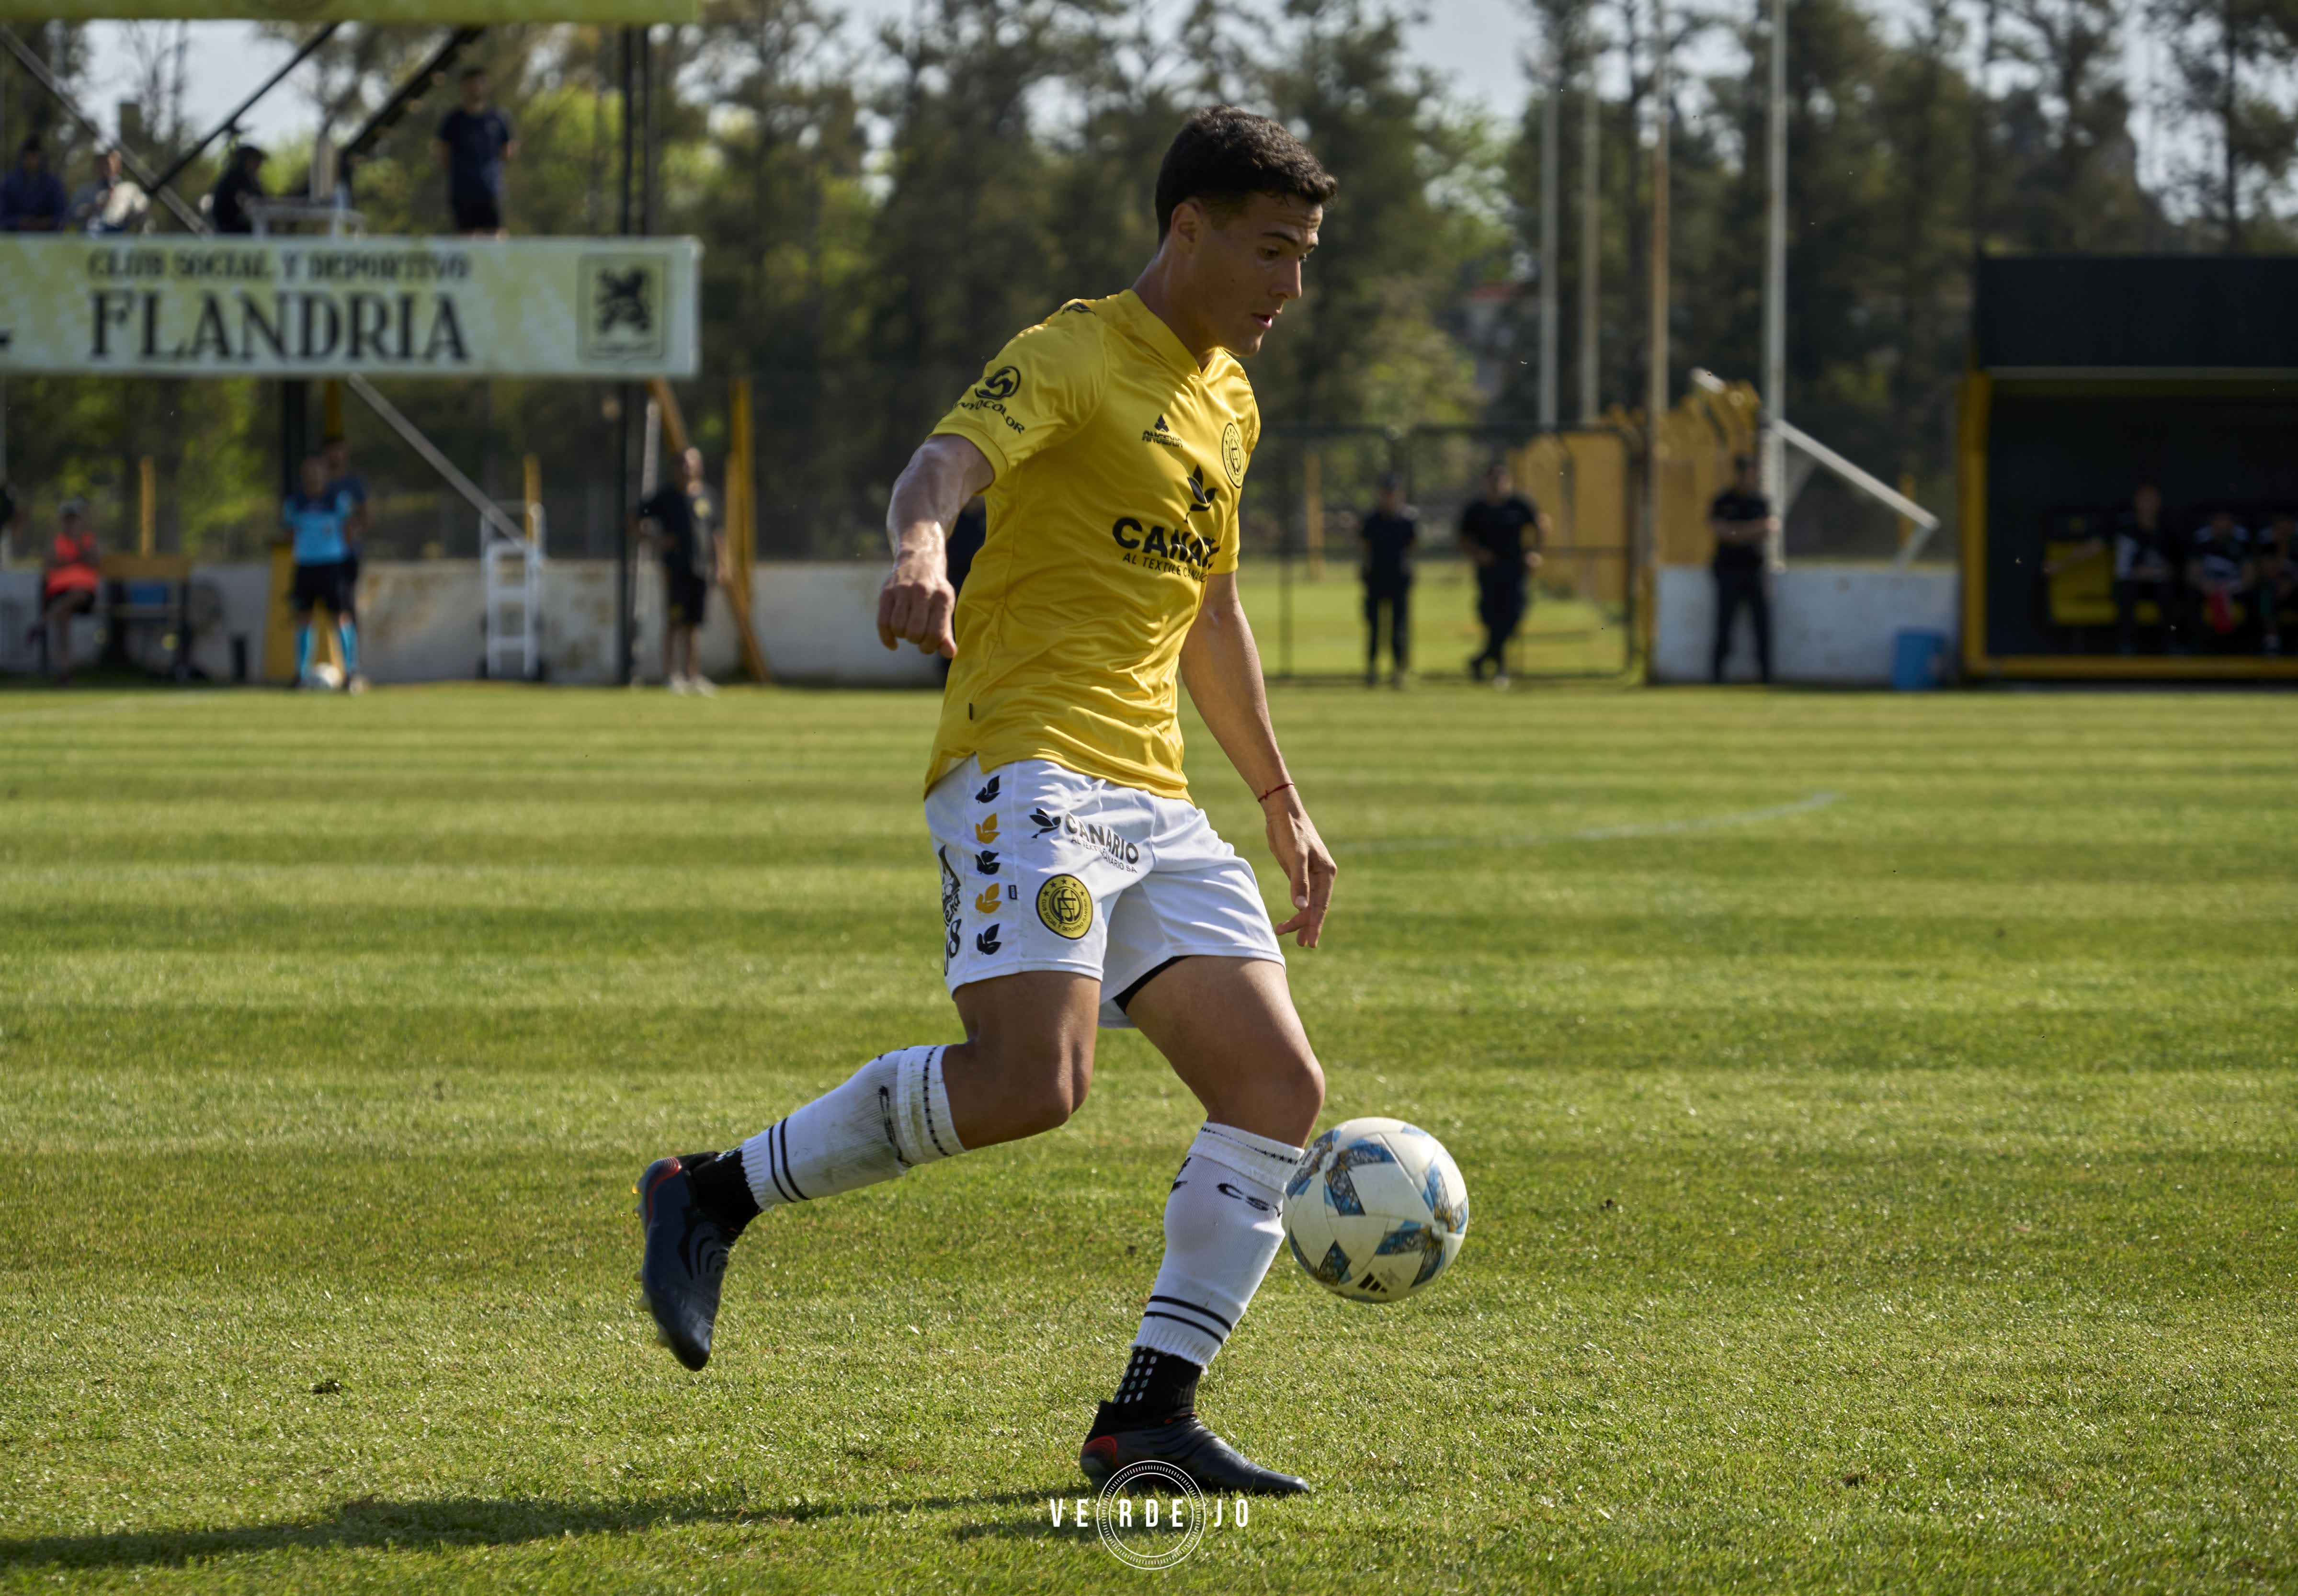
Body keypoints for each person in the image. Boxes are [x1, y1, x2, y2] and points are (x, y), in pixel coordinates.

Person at [632, 106, 1340, 1497]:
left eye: (1307, 256)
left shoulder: (1230, 401)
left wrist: (1280, 793)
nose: (1289, 288)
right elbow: (940, 465)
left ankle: (1149, 1414)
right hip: (1028, 762)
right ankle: (709, 1192)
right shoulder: (1070, 352)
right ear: (1186, 227)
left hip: (1153, 790)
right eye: (1272, 250)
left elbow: (1211, 606)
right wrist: (919, 550)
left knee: (1274, 1085)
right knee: (1033, 1083)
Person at [633, 449, 723, 694]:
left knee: (694, 624)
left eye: (691, 464)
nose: (687, 469)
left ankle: (694, 675)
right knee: (675, 621)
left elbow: (716, 532)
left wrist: (722, 565)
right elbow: (632, 518)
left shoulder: (707, 495)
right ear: (675, 468)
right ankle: (671, 675)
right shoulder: (666, 497)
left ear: (699, 467)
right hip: (676, 568)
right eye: (682, 464)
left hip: (701, 568)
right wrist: (653, 541)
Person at [282, 453, 366, 692]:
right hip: (306, 566)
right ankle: (300, 675)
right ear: (303, 473)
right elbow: (289, 533)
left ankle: (351, 673)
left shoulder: (338, 500)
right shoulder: (294, 503)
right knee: (303, 618)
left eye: (318, 469)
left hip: (332, 566)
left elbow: (351, 528)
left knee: (339, 617)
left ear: (325, 472)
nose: (314, 474)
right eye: (309, 470)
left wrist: (346, 558)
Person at [1458, 460, 1543, 686]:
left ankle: (1482, 660)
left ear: (1509, 481)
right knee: (1492, 618)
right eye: (1493, 480)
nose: (1497, 485)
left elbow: (1540, 525)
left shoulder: (1519, 504)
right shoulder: (1476, 509)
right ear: (1486, 482)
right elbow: (1463, 538)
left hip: (1515, 569)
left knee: (1513, 615)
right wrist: (1478, 554)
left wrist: (1534, 553)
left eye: (1501, 480)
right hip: (1489, 572)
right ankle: (1499, 669)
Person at [1708, 455, 1775, 684]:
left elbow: (1768, 528)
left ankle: (1766, 674)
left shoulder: (1761, 501)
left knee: (1762, 624)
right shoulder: (1723, 500)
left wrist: (1735, 532)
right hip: (1728, 570)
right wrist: (1750, 531)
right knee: (1724, 622)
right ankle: (1717, 673)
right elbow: (1721, 532)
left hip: (1755, 569)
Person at [434, 69, 517, 238]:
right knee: (466, 237)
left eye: (480, 83)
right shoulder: (454, 120)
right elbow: (444, 153)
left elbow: (508, 149)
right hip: (462, 189)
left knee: (495, 235)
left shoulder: (498, 118)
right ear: (464, 87)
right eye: (471, 84)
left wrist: (492, 171)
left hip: (490, 188)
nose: (476, 88)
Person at [2109, 485, 2182, 655]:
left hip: (2160, 582)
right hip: (2133, 583)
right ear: (2136, 503)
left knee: (2169, 593)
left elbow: (2177, 567)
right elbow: (2122, 570)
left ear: (2160, 503)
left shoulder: (2168, 529)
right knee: (2127, 591)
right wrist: (2138, 573)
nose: (2149, 505)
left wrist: (2160, 571)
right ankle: (2127, 645)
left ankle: (2172, 643)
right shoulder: (2126, 529)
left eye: (2152, 500)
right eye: (2145, 500)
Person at [1358, 473, 1416, 687]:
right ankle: (1372, 669)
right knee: (1374, 627)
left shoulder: (1407, 520)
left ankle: (1398, 670)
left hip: (1399, 579)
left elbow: (1413, 545)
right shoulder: (1373, 520)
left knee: (1398, 628)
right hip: (1376, 578)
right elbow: (1364, 547)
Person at [36, 499, 100, 687]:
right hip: (60, 594)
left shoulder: (88, 540)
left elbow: (94, 561)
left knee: (77, 595)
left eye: (75, 519)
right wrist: (75, 561)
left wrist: (77, 549)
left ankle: (44, 621)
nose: (71, 524)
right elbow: (50, 563)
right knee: (63, 620)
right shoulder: (56, 541)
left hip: (84, 596)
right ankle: (65, 672)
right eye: (68, 520)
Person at [2185, 509, 2253, 645]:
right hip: (2208, 588)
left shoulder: (2242, 538)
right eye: (2218, 520)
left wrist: (2232, 587)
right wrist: (2204, 585)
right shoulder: (2201, 538)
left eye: (2226, 520)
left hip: (2235, 588)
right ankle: (2196, 647)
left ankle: (2246, 648)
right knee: (2190, 598)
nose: (2222, 524)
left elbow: (2250, 576)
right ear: (2212, 522)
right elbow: (2192, 575)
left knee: (2253, 598)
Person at [0, 137, 68, 232]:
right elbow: (3, 216)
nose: (31, 161)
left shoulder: (53, 184)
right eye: (26, 157)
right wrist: (20, 222)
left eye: (34, 156)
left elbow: (62, 215)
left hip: (47, 238)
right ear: (21, 158)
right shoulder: (9, 183)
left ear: (41, 158)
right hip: (14, 237)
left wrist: (46, 222)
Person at [68, 147, 135, 234]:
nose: (107, 165)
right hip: (93, 237)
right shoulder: (85, 190)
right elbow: (73, 215)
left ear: (119, 165)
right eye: (102, 162)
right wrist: (96, 208)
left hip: (122, 239)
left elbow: (142, 217)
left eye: (111, 161)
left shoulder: (130, 190)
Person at [2255, 512, 2293, 657]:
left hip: (2294, 586)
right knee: (2266, 589)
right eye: (2279, 529)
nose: (2283, 532)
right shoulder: (2268, 544)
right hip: (2277, 588)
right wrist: (2283, 546)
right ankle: (2272, 640)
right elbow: (2269, 573)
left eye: (2286, 527)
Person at [209, 145, 267, 235]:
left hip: (248, 232)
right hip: (231, 234)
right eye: (256, 161)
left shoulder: (252, 181)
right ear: (245, 161)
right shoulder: (233, 181)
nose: (259, 165)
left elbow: (263, 202)